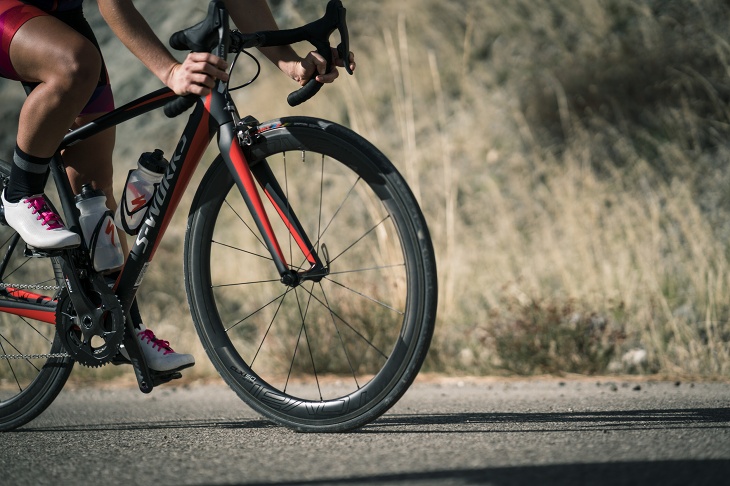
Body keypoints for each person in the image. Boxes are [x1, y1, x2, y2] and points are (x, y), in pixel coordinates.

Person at [0, 0, 356, 373]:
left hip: (61, 15)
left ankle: (121, 328)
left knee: (92, 192)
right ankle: (21, 191)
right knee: (76, 64)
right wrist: (171, 72)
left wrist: (291, 62)